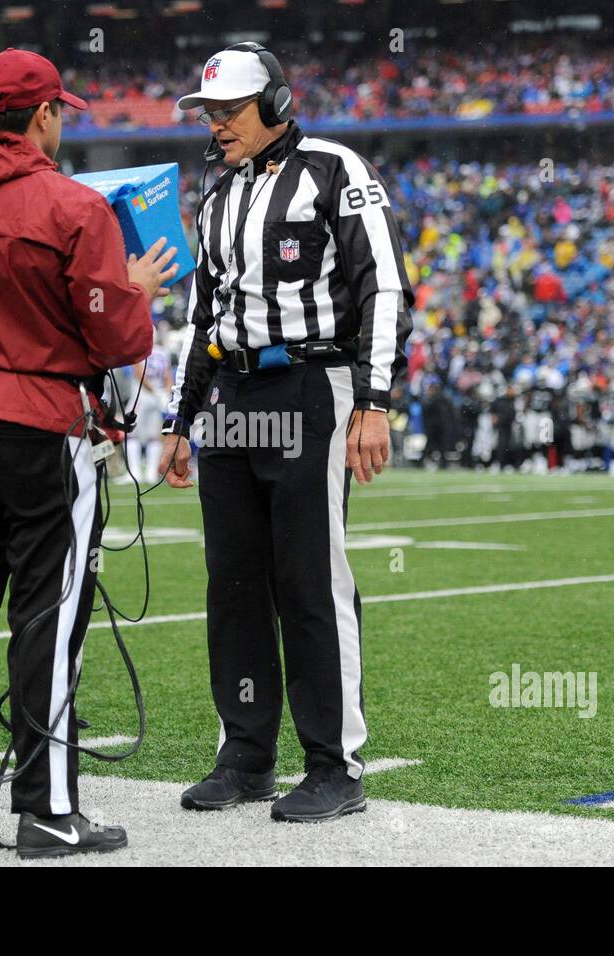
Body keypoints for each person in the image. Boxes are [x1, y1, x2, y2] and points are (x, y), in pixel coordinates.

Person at [0, 48, 176, 858]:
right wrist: (139, 291)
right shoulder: (72, 206)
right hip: (44, 424)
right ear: (45, 114)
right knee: (48, 617)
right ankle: (48, 811)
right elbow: (118, 335)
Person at [160, 43, 412, 822]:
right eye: (208, 112)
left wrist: (374, 400)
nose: (217, 125)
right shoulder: (216, 190)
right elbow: (208, 316)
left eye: (229, 110)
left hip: (312, 382)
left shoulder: (335, 167)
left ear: (275, 103)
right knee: (233, 581)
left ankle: (334, 763)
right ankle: (246, 755)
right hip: (234, 389)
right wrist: (182, 418)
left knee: (310, 575)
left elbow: (384, 284)